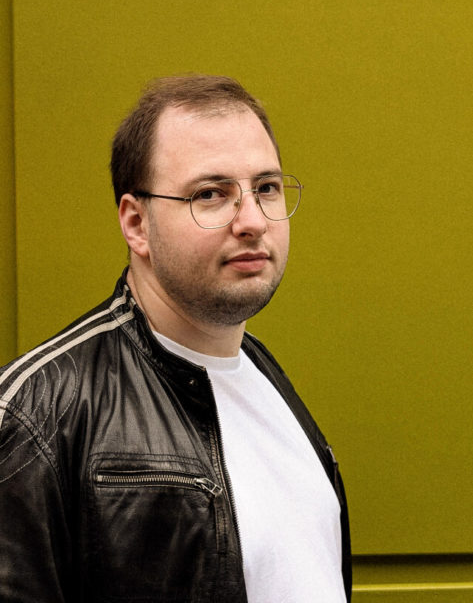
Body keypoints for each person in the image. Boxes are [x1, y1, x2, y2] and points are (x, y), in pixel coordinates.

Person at [0, 74, 351, 602]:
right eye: (210, 195)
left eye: (266, 188)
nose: (253, 221)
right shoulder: (36, 414)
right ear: (136, 223)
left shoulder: (262, 375)